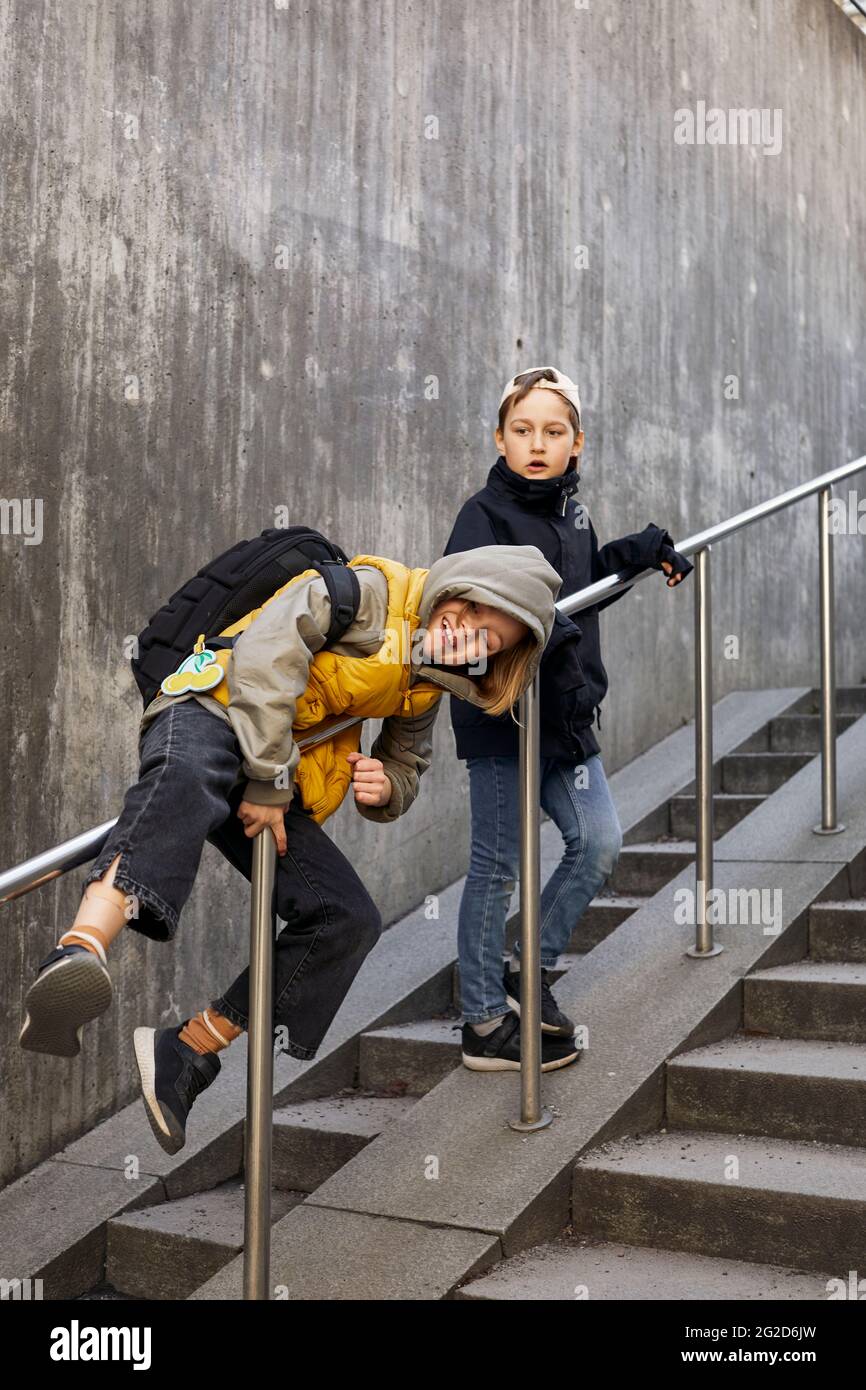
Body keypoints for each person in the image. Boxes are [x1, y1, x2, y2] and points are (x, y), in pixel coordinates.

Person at [19, 542, 578, 1153]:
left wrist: (386, 787)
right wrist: (269, 779)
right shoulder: (364, 595)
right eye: (473, 610)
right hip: (211, 705)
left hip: (271, 774)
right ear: (458, 585)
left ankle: (188, 1050)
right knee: (182, 781)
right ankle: (78, 951)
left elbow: (408, 760)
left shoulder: (426, 682)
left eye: (488, 643)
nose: (468, 635)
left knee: (346, 917)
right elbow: (265, 657)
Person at [442, 366, 694, 1072]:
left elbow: (579, 596)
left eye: (554, 432)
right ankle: (483, 1021)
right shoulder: (483, 515)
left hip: (567, 718)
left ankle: (529, 969)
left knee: (600, 843)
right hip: (503, 718)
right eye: (522, 430)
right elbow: (461, 611)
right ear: (500, 436)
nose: (537, 443)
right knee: (497, 867)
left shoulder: (570, 514)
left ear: (576, 444)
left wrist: (638, 554)